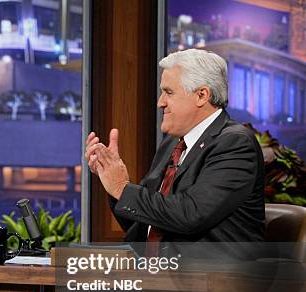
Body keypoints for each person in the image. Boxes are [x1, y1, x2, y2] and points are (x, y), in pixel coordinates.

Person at [85, 49, 265, 244]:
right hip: (158, 267)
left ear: (202, 95)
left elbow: (190, 214)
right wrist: (111, 179)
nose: (160, 103)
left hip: (211, 271)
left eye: (168, 92)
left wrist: (122, 188)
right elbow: (144, 222)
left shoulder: (235, 143)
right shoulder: (172, 143)